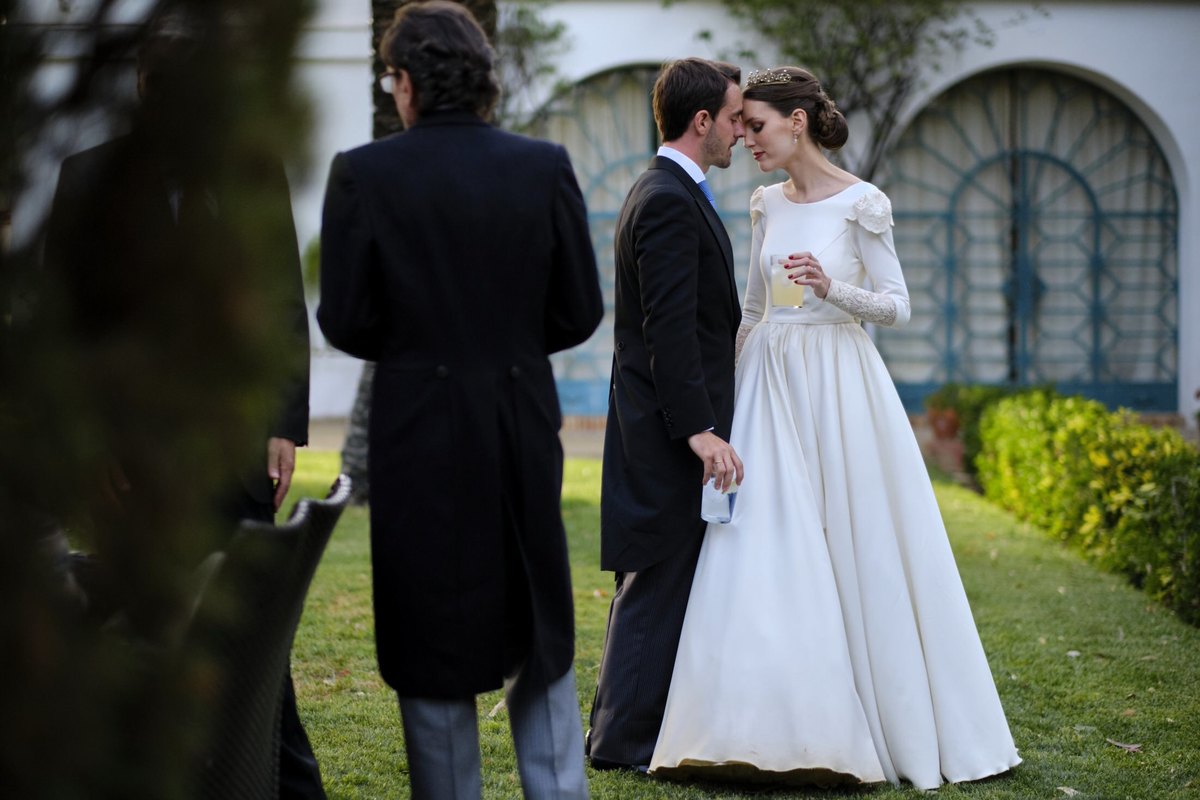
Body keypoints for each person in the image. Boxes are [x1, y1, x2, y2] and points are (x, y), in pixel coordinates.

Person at [649, 66, 1022, 790]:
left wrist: (831, 287)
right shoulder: (764, 203)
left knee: (856, 540)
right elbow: (753, 310)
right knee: (760, 542)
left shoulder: (863, 202)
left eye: (757, 125)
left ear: (798, 122)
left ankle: (873, 716)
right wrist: (724, 403)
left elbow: (897, 305)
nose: (745, 138)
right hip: (768, 385)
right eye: (740, 125)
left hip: (840, 384)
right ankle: (751, 724)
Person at [315, 3, 603, 797]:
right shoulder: (543, 166)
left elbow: (346, 321)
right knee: (537, 620)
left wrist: (420, 344)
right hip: (519, 422)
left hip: (416, 434)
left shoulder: (362, 172)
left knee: (430, 631)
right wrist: (506, 345)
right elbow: (579, 310)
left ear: (405, 83)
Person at [586, 57, 746, 773]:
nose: (740, 132)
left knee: (654, 579)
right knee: (656, 578)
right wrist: (699, 431)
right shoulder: (666, 200)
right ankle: (621, 742)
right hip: (664, 432)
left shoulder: (670, 191)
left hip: (661, 423)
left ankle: (620, 730)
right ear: (701, 119)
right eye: (734, 118)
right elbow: (669, 329)